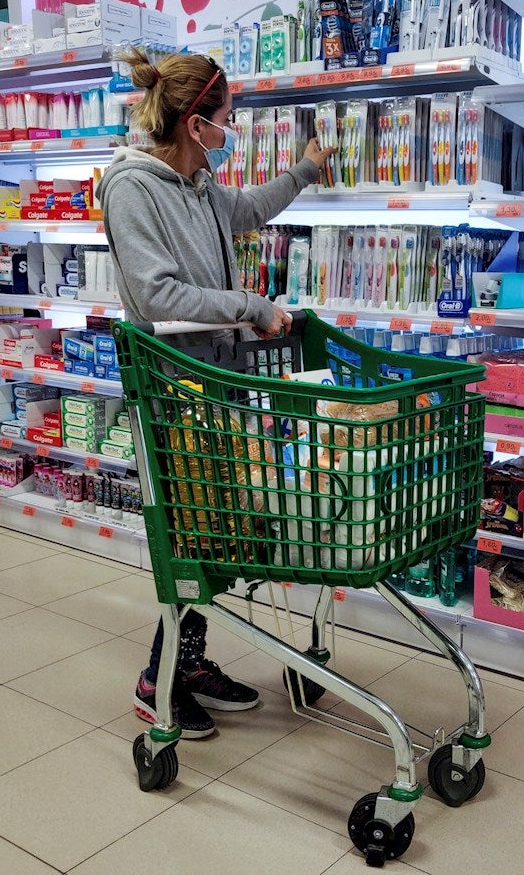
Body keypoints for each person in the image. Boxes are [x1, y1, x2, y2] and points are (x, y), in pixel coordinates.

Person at [99, 48, 334, 738]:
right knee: (193, 536)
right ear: (195, 123)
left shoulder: (198, 184)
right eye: (226, 118)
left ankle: (191, 659)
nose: (231, 131)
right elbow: (156, 294)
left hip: (218, 386)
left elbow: (251, 208)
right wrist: (250, 306)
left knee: (222, 530)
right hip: (173, 390)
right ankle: (158, 678)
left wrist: (305, 170)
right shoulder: (132, 189)